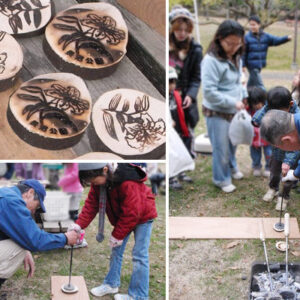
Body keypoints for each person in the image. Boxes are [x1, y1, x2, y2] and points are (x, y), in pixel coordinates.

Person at [72, 163, 157, 300]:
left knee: (139, 255)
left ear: (105, 170)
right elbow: (92, 204)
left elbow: (132, 213)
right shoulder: (99, 179)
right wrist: (79, 225)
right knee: (116, 250)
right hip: (124, 216)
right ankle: (111, 284)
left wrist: (118, 235)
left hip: (142, 217)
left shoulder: (127, 181)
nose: (93, 183)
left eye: (94, 180)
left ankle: (138, 296)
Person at [0, 179, 79, 293]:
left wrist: (26, 247)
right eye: (36, 206)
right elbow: (35, 240)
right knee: (21, 247)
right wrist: (66, 238)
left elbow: (10, 230)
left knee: (24, 246)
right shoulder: (12, 202)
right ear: (30, 193)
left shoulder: (7, 193)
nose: (33, 211)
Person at [201, 20, 246, 193]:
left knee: (233, 141)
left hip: (234, 109)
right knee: (221, 147)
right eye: (230, 43)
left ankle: (232, 167)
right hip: (216, 111)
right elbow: (209, 92)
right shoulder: (211, 61)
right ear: (219, 39)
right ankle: (221, 179)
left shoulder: (236, 55)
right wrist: (232, 102)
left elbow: (238, 81)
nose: (234, 47)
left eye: (238, 43)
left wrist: (242, 95)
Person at [253, 87, 300, 210]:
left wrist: (289, 162)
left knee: (287, 176)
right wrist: (266, 107)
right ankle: (273, 188)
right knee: (274, 172)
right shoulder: (273, 106)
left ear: (290, 105)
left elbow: (296, 144)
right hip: (278, 152)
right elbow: (257, 121)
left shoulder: (296, 116)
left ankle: (284, 196)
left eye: (279, 112)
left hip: (292, 152)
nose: (276, 116)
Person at [169, 5, 203, 157]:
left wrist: (191, 95)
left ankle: (186, 159)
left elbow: (196, 77)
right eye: (178, 29)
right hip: (167, 96)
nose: (182, 33)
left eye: (185, 30)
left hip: (183, 97)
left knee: (185, 131)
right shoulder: (166, 44)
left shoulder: (195, 49)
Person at [243, 15, 292, 90]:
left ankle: (245, 97)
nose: (252, 26)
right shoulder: (247, 37)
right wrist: (243, 65)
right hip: (252, 65)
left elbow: (276, 40)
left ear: (259, 25)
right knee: (260, 85)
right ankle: (266, 100)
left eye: (254, 24)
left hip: (259, 64)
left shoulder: (265, 36)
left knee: (251, 84)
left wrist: (286, 38)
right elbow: (243, 52)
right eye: (250, 24)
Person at [169, 66, 193, 186]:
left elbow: (180, 111)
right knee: (172, 153)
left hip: (178, 127)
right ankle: (171, 177)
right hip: (169, 131)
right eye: (169, 82)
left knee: (181, 150)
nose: (172, 85)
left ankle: (181, 172)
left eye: (173, 82)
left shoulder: (176, 95)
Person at [246, 87, 272, 177]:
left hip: (266, 138)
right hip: (254, 138)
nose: (257, 106)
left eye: (258, 103)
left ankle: (269, 167)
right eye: (254, 103)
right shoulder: (249, 111)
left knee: (269, 153)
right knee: (255, 154)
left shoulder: (267, 110)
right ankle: (256, 166)